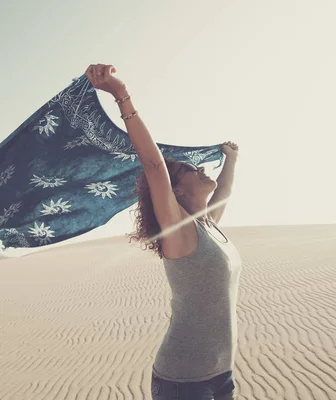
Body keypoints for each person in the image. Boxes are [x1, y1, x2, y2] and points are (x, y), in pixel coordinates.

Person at [85, 64, 241, 400]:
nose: (201, 168)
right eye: (189, 169)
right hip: (183, 381)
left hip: (221, 374)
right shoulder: (180, 234)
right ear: (178, 191)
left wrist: (231, 158)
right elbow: (154, 166)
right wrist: (121, 95)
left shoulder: (208, 225)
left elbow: (224, 190)